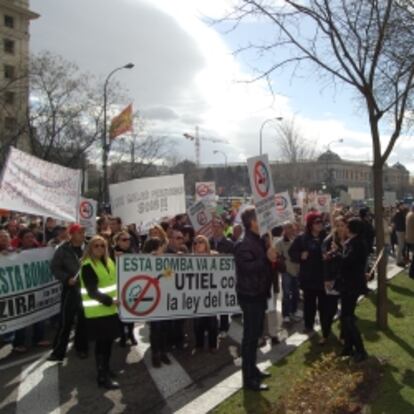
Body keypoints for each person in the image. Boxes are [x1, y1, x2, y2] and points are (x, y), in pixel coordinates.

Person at [235, 208, 276, 391]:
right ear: (252, 222)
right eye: (261, 218)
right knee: (250, 338)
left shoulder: (259, 240)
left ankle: (253, 368)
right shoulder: (244, 244)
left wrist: (272, 257)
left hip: (259, 294)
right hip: (250, 296)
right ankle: (248, 378)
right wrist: (266, 260)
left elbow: (266, 264)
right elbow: (246, 269)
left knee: (256, 335)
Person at [80, 235, 120, 389]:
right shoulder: (88, 265)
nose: (100, 248)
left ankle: (106, 369)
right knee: (102, 345)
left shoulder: (109, 261)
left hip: (110, 311)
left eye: (102, 246)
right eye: (96, 246)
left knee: (108, 343)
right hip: (97, 313)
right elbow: (92, 292)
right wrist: (111, 301)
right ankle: (102, 377)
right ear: (90, 248)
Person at [48, 224, 88, 362]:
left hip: (87, 289)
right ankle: (58, 351)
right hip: (71, 289)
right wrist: (66, 278)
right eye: (79, 232)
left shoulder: (90, 247)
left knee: (84, 320)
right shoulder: (63, 249)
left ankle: (81, 348)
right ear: (71, 234)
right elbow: (55, 268)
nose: (83, 234)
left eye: (83, 232)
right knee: (66, 321)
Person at [289, 212, 327, 335]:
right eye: (317, 222)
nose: (320, 224)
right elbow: (291, 252)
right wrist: (300, 255)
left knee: (324, 305)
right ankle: (308, 325)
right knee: (309, 304)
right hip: (308, 277)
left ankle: (325, 326)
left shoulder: (326, 237)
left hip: (323, 276)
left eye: (321, 221)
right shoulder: (302, 238)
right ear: (311, 224)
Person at [12, 228, 50, 352]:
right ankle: (19, 343)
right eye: (27, 237)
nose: (30, 239)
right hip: (22, 290)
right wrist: (9, 254)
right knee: (22, 316)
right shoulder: (15, 252)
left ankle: (38, 338)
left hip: (37, 288)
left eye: (31, 237)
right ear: (21, 240)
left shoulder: (39, 251)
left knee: (39, 313)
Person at [338, 218, 369, 362]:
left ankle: (360, 350)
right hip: (351, 284)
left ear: (351, 229)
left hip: (351, 285)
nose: (344, 228)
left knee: (347, 318)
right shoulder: (356, 242)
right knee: (346, 316)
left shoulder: (355, 244)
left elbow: (347, 262)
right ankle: (348, 347)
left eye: (346, 226)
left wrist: (337, 253)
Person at [143, 237, 171, 368]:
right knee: (155, 328)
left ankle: (164, 351)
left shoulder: (165, 260)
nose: (163, 248)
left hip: (164, 299)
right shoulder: (144, 261)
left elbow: (170, 276)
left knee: (164, 328)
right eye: (160, 246)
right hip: (153, 301)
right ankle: (156, 354)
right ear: (154, 248)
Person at [321, 216, 347, 345]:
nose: (341, 228)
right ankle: (325, 334)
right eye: (338, 225)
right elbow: (324, 261)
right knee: (329, 310)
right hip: (332, 279)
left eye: (343, 225)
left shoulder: (350, 240)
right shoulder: (328, 241)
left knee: (345, 311)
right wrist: (326, 279)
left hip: (346, 280)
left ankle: (343, 336)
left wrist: (342, 249)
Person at [192, 235, 219, 353]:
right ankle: (199, 344)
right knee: (198, 323)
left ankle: (213, 344)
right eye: (195, 242)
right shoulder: (189, 258)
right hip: (196, 296)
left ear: (206, 243)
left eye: (201, 242)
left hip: (211, 294)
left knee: (212, 321)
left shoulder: (214, 255)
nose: (198, 244)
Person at [111, 230, 137, 347]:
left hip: (130, 287)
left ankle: (131, 334)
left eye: (129, 239)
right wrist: (113, 257)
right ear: (117, 241)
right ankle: (122, 335)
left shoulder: (132, 252)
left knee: (131, 312)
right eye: (124, 240)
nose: (127, 242)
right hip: (116, 288)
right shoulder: (111, 253)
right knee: (119, 314)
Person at [210, 218, 234, 338]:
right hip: (209, 278)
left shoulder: (229, 243)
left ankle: (224, 327)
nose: (215, 228)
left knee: (223, 303)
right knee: (211, 302)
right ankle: (212, 326)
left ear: (223, 228)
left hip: (223, 278)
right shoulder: (207, 242)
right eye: (213, 226)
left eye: (218, 226)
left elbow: (234, 259)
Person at [275, 222, 301, 324]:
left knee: (296, 293)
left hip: (296, 270)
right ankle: (286, 314)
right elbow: (277, 256)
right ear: (284, 230)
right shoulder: (279, 243)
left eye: (291, 227)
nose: (291, 229)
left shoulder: (296, 240)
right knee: (286, 294)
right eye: (288, 227)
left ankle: (293, 311)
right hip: (286, 271)